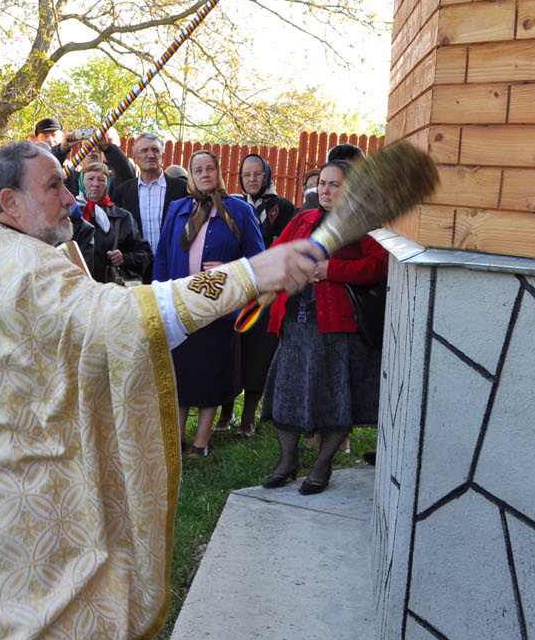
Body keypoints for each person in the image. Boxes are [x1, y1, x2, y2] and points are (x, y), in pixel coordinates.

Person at [0, 141, 321, 640]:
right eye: (54, 186)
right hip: (7, 498)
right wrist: (250, 275)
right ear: (10, 203)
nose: (70, 198)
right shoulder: (26, 269)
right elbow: (127, 320)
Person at [261, 159, 389, 495]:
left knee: (335, 397)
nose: (326, 190)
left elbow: (379, 265)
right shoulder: (302, 218)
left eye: (335, 184)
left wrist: (331, 271)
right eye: (322, 183)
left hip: (335, 326)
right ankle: (287, 462)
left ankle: (322, 465)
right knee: (287, 393)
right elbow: (276, 251)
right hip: (295, 321)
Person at [153, 150, 264, 457]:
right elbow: (163, 255)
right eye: (198, 170)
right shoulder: (177, 209)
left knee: (211, 373)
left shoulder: (238, 210)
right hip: (181, 306)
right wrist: (159, 296)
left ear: (218, 172)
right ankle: (177, 439)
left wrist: (229, 269)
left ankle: (201, 441)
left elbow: (258, 257)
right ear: (190, 175)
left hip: (219, 309)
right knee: (181, 373)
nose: (204, 174)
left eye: (209, 169)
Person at [232, 152, 298, 437]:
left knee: (258, 353)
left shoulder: (282, 207)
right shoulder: (233, 205)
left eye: (257, 173)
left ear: (267, 175)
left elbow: (284, 246)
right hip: (237, 287)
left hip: (267, 292)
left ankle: (248, 417)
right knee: (232, 349)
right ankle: (225, 412)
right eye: (246, 174)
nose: (251, 179)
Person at [113, 131, 188, 283]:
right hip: (136, 272)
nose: (151, 155)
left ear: (162, 156)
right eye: (144, 150)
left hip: (172, 270)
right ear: (135, 157)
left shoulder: (182, 189)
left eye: (155, 150)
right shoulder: (123, 192)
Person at [72, 160, 151, 284]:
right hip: (77, 287)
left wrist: (124, 258)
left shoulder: (122, 217)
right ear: (81, 182)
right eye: (90, 179)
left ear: (108, 183)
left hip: (110, 288)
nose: (96, 184)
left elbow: (145, 254)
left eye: (101, 180)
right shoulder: (70, 215)